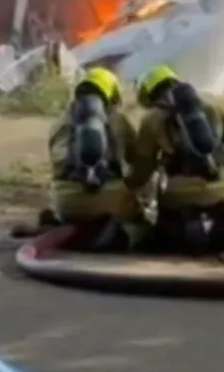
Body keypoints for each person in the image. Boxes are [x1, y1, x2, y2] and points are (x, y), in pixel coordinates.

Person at [129, 65, 224, 256]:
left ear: (149, 93)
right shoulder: (213, 105)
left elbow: (143, 169)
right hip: (223, 189)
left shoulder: (151, 119)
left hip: (178, 193)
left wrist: (129, 187)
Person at [45, 67, 149, 252]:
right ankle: (124, 233)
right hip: (111, 199)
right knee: (143, 227)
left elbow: (56, 166)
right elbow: (138, 159)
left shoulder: (59, 123)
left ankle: (70, 230)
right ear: (112, 94)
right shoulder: (119, 120)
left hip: (66, 202)